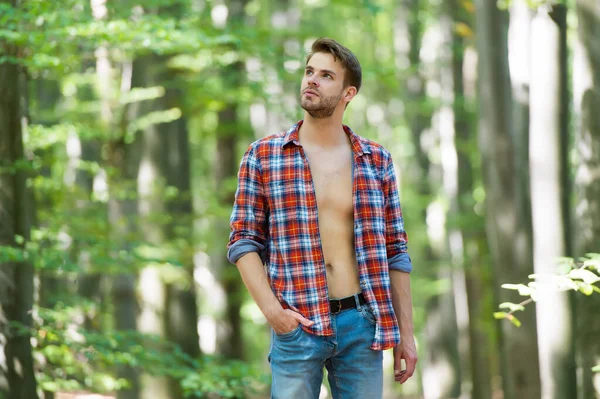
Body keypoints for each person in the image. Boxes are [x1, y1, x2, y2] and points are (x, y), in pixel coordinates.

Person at [227, 37, 417, 399]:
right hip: (297, 324)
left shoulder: (376, 161)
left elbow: (396, 252)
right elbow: (243, 241)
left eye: (326, 75)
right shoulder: (264, 155)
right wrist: (275, 314)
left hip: (362, 324)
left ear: (348, 93)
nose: (311, 80)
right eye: (309, 71)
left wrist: (406, 335)